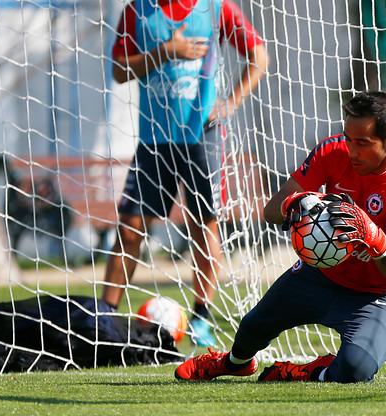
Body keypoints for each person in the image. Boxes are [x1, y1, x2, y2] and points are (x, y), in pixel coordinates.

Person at [175, 91, 386, 383]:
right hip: (321, 274)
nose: (351, 150)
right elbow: (271, 210)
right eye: (348, 138)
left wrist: (377, 240)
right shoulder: (332, 151)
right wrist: (296, 203)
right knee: (251, 329)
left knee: (356, 370)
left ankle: (305, 371)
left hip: (378, 294)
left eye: (362, 143)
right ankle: (234, 364)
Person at [104, 0, 268, 346]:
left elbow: (259, 56)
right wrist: (165, 52)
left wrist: (232, 102)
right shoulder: (137, 11)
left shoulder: (216, 8)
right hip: (154, 140)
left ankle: (201, 319)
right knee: (131, 228)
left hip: (202, 137)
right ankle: (103, 317)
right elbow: (119, 71)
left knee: (203, 225)